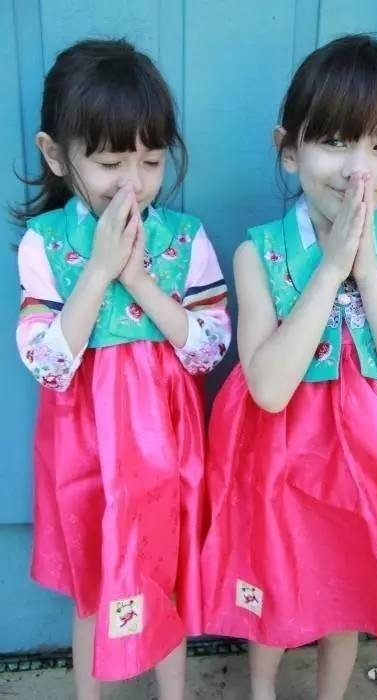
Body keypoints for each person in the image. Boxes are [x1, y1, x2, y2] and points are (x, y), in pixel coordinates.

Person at [201, 34, 377, 700]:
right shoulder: (259, 254)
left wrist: (369, 271)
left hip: (368, 471)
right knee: (272, 580)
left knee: (349, 590)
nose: (358, 170)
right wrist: (330, 270)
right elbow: (267, 387)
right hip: (281, 463)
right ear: (289, 149)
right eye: (336, 141)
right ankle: (262, 690)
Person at [15, 38, 230, 700]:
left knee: (166, 574)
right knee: (93, 580)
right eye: (110, 162)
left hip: (166, 441)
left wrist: (139, 280)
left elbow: (208, 347)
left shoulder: (186, 240)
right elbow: (47, 363)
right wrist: (100, 271)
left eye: (151, 160)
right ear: (57, 155)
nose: (132, 182)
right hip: (85, 443)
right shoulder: (45, 243)